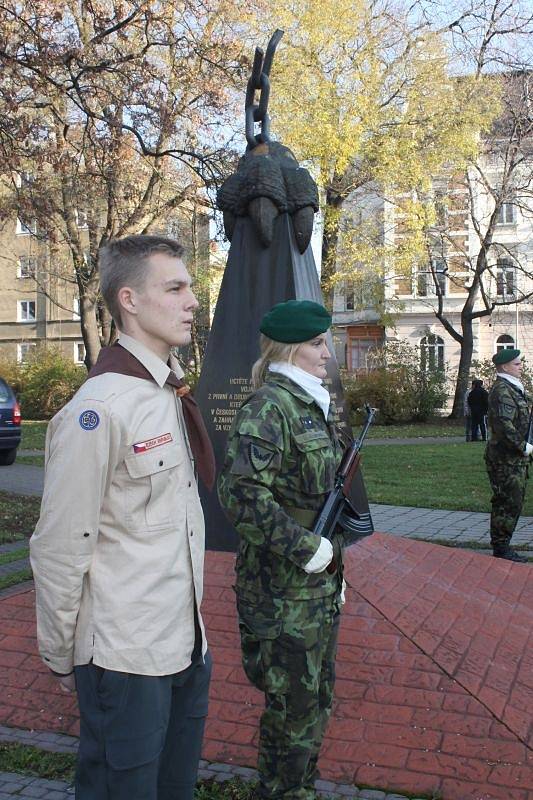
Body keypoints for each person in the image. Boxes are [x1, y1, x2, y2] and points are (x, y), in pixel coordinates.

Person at [30, 235, 215, 799]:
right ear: (129, 300)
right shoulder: (99, 408)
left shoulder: (165, 393)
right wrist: (63, 653)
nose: (192, 302)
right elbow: (62, 543)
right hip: (126, 656)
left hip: (184, 643)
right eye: (176, 288)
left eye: (191, 289)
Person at [218, 299, 347, 800]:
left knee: (314, 702)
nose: (327, 353)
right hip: (282, 594)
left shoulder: (308, 403)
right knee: (293, 709)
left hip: (314, 589)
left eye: (325, 341)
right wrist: (304, 549)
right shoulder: (269, 408)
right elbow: (242, 496)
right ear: (290, 349)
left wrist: (333, 568)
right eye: (317, 343)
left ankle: (293, 789)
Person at [485, 348, 531, 563]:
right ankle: (501, 548)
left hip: (513, 458)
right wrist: (524, 447)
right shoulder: (502, 390)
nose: (521, 366)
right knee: (507, 501)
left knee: (513, 501)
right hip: (505, 458)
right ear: (504, 367)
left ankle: (502, 545)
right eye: (517, 363)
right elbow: (504, 426)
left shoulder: (513, 388)